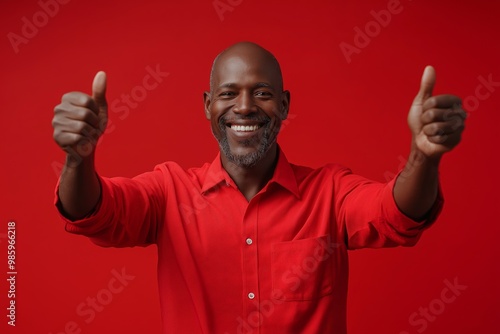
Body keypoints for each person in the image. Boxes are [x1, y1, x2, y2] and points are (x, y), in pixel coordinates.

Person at [52, 41, 466, 334]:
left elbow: (397, 214)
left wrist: (423, 156)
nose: (245, 107)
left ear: (284, 105)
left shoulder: (330, 192)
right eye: (228, 94)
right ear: (207, 106)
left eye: (262, 94)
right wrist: (78, 157)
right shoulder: (169, 191)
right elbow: (95, 212)